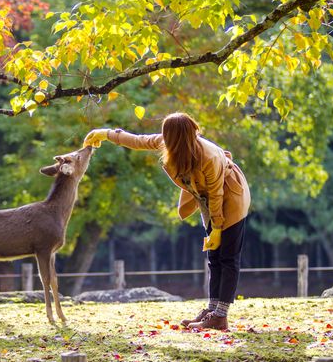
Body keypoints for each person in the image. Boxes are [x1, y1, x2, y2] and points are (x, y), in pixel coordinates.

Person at [83, 112, 250, 330]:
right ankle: (212, 309)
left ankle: (221, 315)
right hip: (208, 199)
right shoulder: (169, 144)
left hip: (230, 195)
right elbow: (138, 140)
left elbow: (217, 194)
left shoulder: (208, 156)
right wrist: (104, 134)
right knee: (213, 257)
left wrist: (217, 228)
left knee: (227, 258)